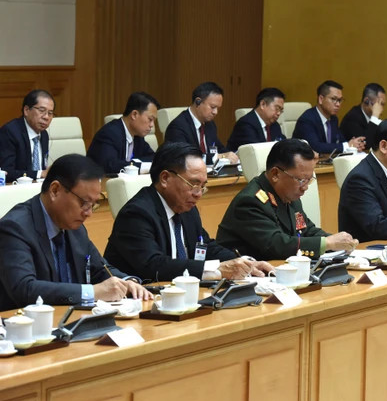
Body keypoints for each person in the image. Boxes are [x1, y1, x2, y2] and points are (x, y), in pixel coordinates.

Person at [0, 154, 151, 310]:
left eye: (93, 204)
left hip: (76, 320)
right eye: (84, 203)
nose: (88, 213)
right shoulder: (15, 228)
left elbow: (99, 268)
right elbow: (25, 289)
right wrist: (92, 292)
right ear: (55, 190)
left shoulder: (74, 226)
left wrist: (127, 282)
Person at [104, 142, 270, 281]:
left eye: (203, 186)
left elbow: (205, 246)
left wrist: (245, 263)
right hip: (141, 301)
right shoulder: (136, 214)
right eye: (193, 184)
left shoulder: (186, 207)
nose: (198, 194)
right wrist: (216, 269)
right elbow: (154, 266)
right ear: (165, 178)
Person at [216, 139, 358, 259]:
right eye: (301, 180)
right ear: (275, 174)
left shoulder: (289, 195)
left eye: (309, 180)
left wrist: (339, 242)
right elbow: (276, 244)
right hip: (244, 279)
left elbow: (306, 230)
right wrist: (327, 243)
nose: (305, 187)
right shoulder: (250, 202)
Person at [163, 81, 239, 165]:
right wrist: (218, 157)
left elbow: (219, 149)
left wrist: (232, 156)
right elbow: (184, 158)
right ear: (198, 102)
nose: (215, 112)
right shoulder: (178, 127)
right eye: (213, 107)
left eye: (218, 108)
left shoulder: (210, 125)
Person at [87, 91, 159, 173]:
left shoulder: (137, 136)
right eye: (150, 119)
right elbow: (109, 166)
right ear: (134, 115)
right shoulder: (110, 133)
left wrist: (133, 163)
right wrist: (140, 166)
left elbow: (152, 157)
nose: (152, 125)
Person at [292, 80, 365, 154]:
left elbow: (340, 141)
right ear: (321, 99)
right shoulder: (307, 119)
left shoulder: (333, 119)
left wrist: (354, 144)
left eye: (340, 100)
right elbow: (315, 147)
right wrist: (347, 145)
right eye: (333, 99)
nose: (338, 104)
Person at [0, 89, 54, 183]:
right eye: (42, 111)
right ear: (26, 110)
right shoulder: (10, 132)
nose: (46, 117)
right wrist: (40, 174)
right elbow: (6, 172)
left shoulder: (44, 134)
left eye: (50, 113)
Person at [339, 83, 386, 149]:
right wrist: (375, 117)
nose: (381, 108)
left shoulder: (371, 118)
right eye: (380, 104)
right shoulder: (353, 117)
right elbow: (365, 145)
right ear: (366, 101)